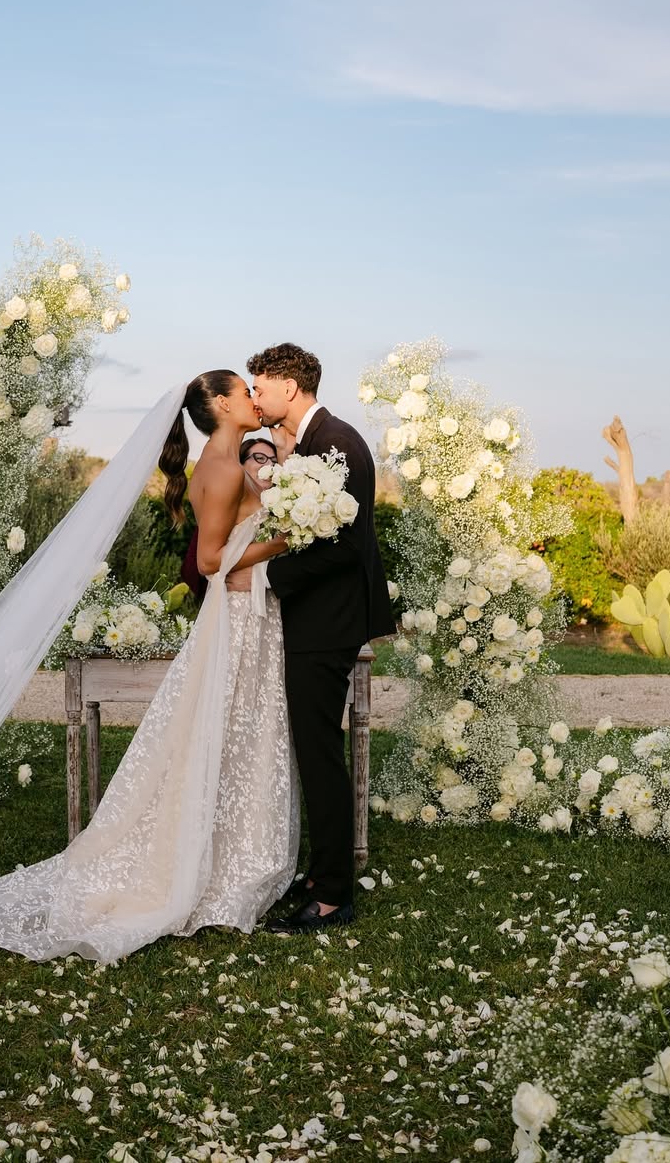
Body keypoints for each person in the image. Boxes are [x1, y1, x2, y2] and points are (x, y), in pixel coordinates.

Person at [0, 371, 299, 962]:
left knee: (235, 734)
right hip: (240, 615)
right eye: (244, 392)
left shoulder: (221, 463)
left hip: (247, 611)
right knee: (235, 731)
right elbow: (211, 559)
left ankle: (229, 853)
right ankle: (218, 864)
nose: (253, 398)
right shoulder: (223, 469)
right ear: (222, 406)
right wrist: (285, 541)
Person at [248, 342, 394, 934]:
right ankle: (319, 874)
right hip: (317, 620)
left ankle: (333, 895)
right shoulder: (313, 443)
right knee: (314, 751)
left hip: (327, 622)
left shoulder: (337, 444)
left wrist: (269, 576)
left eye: (260, 387)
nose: (255, 397)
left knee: (321, 755)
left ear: (289, 385)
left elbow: (346, 546)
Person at [180, 435, 279, 601]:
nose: (269, 465)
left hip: (273, 601)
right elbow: (202, 563)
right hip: (232, 598)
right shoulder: (225, 505)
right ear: (241, 464)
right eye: (260, 458)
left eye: (274, 461)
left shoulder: (283, 510)